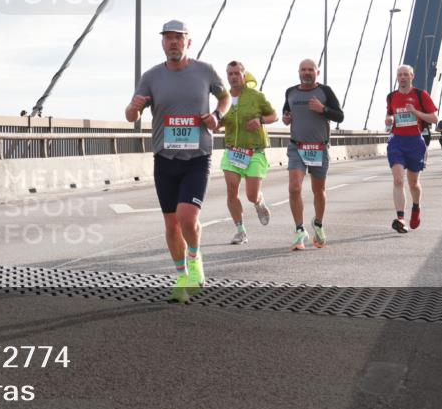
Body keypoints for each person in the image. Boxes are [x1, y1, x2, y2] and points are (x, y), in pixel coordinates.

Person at [126, 20, 230, 300]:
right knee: (171, 224)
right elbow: (130, 115)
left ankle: (195, 262)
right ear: (162, 43)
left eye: (178, 38)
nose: (173, 42)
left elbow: (225, 97)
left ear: (188, 42)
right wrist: (133, 109)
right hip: (165, 157)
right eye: (168, 38)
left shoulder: (205, 71)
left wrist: (217, 116)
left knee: (187, 216)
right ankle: (182, 277)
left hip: (197, 156)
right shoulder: (151, 77)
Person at [281, 59, 344, 250]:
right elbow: (286, 112)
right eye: (303, 70)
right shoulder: (291, 91)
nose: (306, 73)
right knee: (294, 188)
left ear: (317, 72)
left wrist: (323, 109)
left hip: (318, 148)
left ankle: (318, 223)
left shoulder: (325, 91)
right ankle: (299, 230)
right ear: (298, 72)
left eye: (310, 70)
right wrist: (286, 118)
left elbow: (339, 116)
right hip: (296, 147)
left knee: (318, 190)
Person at [218, 61, 277, 245]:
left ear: (244, 75)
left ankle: (259, 202)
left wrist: (260, 120)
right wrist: (213, 123)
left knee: (251, 195)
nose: (233, 77)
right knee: (231, 190)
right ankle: (240, 230)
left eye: (237, 73)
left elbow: (273, 116)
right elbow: (219, 120)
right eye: (230, 74)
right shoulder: (224, 98)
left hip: (254, 151)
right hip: (232, 151)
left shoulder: (256, 96)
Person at [385, 65, 438, 233]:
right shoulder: (391, 96)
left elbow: (434, 118)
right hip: (397, 142)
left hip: (415, 142)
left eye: (405, 75)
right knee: (398, 180)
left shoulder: (421, 95)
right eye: (399, 75)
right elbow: (390, 113)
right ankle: (400, 218)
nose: (402, 77)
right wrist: (388, 119)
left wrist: (415, 112)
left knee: (413, 183)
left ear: (412, 76)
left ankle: (416, 208)